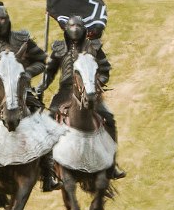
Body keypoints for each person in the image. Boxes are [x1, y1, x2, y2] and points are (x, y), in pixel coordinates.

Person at [0, 1, 55, 189]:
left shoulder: (21, 39)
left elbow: (41, 61)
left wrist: (27, 73)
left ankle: (48, 173)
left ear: (8, 20)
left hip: (21, 91)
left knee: (44, 122)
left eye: (2, 19)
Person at [36, 15, 125, 181]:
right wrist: (42, 85)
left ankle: (112, 164)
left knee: (109, 118)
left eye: (78, 26)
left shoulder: (93, 47)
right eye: (72, 26)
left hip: (89, 91)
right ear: (66, 29)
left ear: (83, 29)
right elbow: (50, 71)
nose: (75, 29)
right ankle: (49, 169)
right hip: (65, 92)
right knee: (48, 120)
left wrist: (96, 84)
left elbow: (105, 70)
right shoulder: (59, 48)